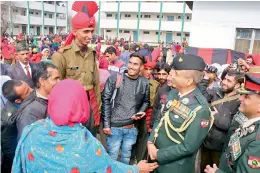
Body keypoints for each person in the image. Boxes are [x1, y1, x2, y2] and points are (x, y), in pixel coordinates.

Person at [11, 79, 158, 173]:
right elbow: (108, 168)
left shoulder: (31, 132)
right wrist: (136, 169)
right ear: (82, 105)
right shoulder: (86, 143)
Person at [147, 54, 213, 173]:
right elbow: (160, 118)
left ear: (188, 81)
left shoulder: (200, 109)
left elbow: (188, 147)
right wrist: (150, 142)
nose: (169, 77)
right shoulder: (173, 93)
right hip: (154, 158)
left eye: (175, 74)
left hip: (174, 166)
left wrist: (159, 154)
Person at [52, 1, 101, 136]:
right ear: (74, 32)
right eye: (86, 31)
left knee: (89, 139)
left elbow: (96, 85)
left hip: (90, 107)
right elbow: (56, 89)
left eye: (91, 31)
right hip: (71, 108)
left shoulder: (92, 53)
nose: (90, 36)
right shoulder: (61, 56)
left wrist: (98, 111)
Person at [205, 73, 260, 173]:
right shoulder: (243, 116)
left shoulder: (257, 141)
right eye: (242, 94)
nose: (240, 98)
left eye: (246, 97)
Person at [102, 52, 150, 164]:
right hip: (114, 127)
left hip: (131, 128)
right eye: (130, 63)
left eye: (135, 64)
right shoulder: (115, 79)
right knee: (111, 159)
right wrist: (106, 125)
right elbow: (106, 101)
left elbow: (146, 101)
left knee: (126, 159)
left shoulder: (144, 83)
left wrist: (141, 112)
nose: (131, 66)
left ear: (141, 67)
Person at [200, 70, 244, 171]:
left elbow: (232, 126)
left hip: (221, 149)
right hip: (205, 144)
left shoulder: (240, 101)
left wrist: (215, 117)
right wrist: (205, 80)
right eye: (224, 79)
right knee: (203, 169)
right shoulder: (216, 91)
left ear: (237, 85)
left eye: (229, 81)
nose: (224, 82)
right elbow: (200, 96)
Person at [15, 62, 60, 139]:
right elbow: (28, 142)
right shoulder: (29, 112)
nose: (59, 81)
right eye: (56, 78)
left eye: (59, 78)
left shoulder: (57, 97)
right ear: (42, 81)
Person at [1, 80, 33, 172]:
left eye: (29, 86)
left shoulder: (24, 103)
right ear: (18, 100)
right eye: (27, 91)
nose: (32, 90)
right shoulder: (8, 120)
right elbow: (9, 147)